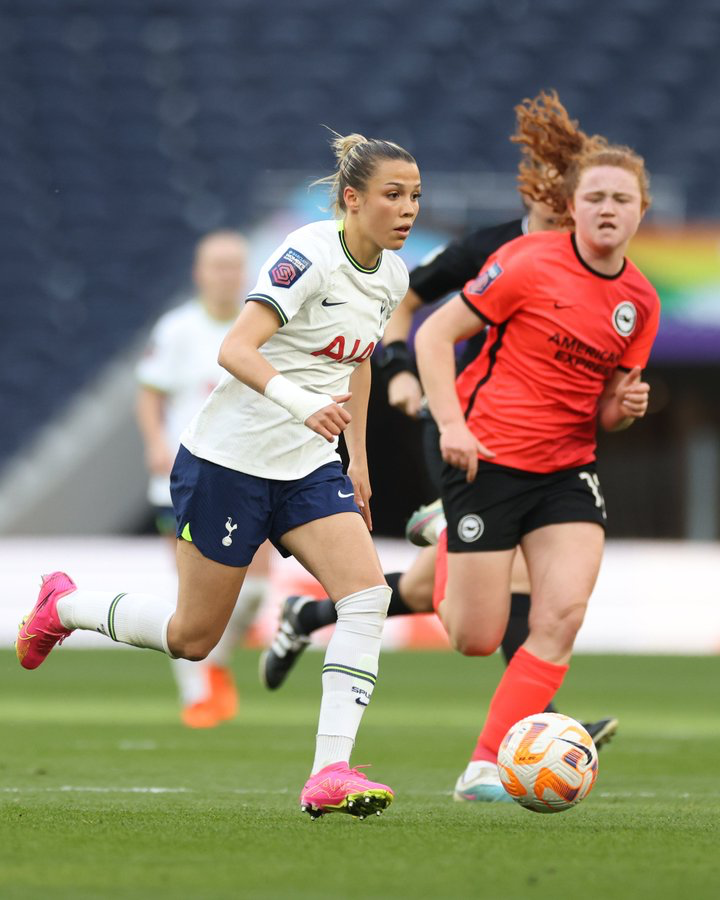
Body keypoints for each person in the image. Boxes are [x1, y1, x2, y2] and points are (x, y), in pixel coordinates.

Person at [16, 131, 421, 820]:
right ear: (352, 200)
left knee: (365, 597)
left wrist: (357, 456)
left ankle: (329, 772)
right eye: (393, 194)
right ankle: (66, 606)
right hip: (227, 463)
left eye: (415, 195)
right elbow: (237, 348)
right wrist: (303, 405)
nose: (408, 208)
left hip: (306, 467)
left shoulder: (393, 276)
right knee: (193, 637)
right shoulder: (308, 255)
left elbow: (355, 361)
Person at [260, 97, 617, 755]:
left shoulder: (590, 261)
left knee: (432, 589)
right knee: (510, 583)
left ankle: (309, 614)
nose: (564, 209)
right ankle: (540, 722)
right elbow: (406, 306)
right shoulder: (490, 248)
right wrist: (398, 370)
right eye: (553, 196)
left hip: (531, 442)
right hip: (463, 422)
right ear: (534, 192)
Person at [413, 90, 660, 802]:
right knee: (474, 636)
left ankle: (484, 764)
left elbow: (610, 409)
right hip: (486, 460)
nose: (609, 208)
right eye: (597, 197)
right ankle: (443, 541)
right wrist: (451, 423)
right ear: (573, 206)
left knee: (561, 616)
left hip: (566, 472)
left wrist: (625, 405)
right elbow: (432, 332)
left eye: (623, 198)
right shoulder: (525, 261)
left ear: (641, 211)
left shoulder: (640, 303)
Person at [136, 230, 271, 729]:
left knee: (254, 591)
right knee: (189, 594)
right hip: (185, 480)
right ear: (199, 272)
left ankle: (212, 661)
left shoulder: (260, 327)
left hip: (248, 475)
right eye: (217, 265)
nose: (226, 274)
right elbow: (148, 393)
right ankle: (199, 694)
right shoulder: (178, 329)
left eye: (235, 265)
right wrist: (154, 441)